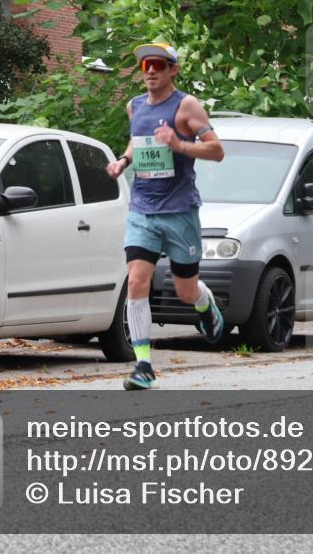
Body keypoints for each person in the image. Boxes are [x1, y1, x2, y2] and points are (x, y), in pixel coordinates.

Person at [106, 41, 225, 389]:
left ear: (173, 69)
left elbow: (217, 151)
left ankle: (205, 307)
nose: (152, 71)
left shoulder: (186, 106)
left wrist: (179, 145)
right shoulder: (135, 106)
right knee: (138, 281)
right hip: (142, 208)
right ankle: (143, 364)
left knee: (185, 289)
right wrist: (123, 161)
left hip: (179, 211)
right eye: (146, 66)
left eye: (159, 64)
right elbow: (136, 141)